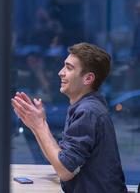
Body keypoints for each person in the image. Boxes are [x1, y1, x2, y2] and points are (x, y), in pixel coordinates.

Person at [12, 42, 127, 193]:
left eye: (69, 68)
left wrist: (40, 125)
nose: (61, 72)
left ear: (88, 78)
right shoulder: (85, 107)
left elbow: (65, 170)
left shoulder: (88, 111)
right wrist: (34, 125)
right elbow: (61, 161)